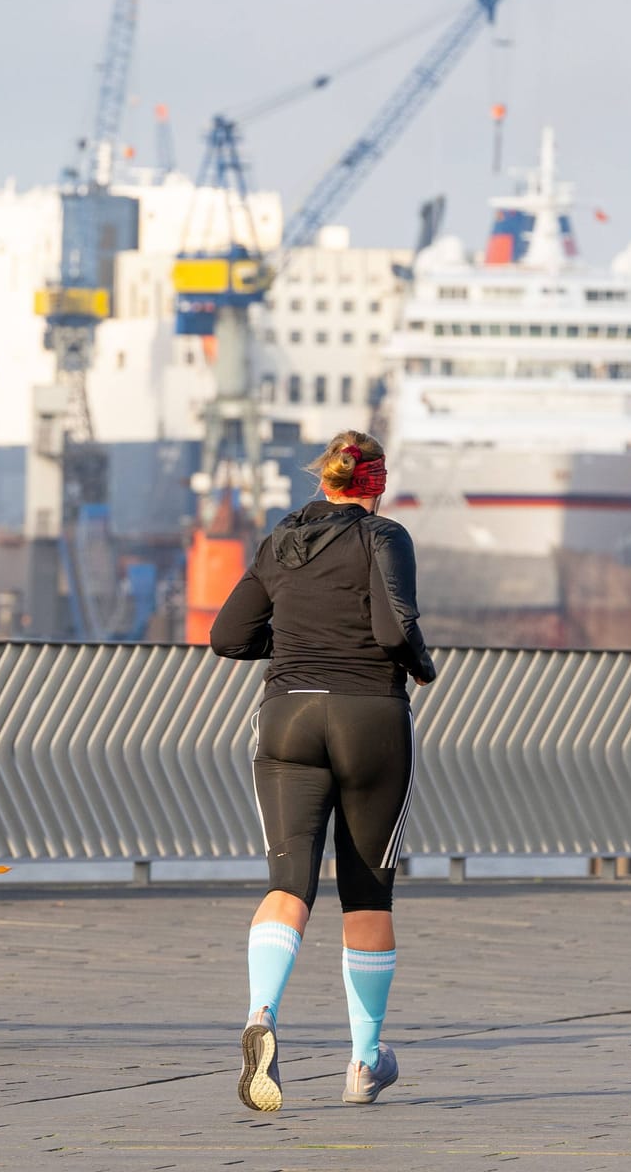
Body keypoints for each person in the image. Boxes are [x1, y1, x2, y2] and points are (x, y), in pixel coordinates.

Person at [209, 429, 438, 1111]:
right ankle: (365, 1063)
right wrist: (422, 664)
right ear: (376, 480)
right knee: (367, 893)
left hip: (289, 715)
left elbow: (228, 637)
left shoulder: (281, 540)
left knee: (289, 884)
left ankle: (261, 1015)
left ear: (326, 478)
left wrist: (295, 642)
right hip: (369, 716)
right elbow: (395, 628)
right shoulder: (384, 536)